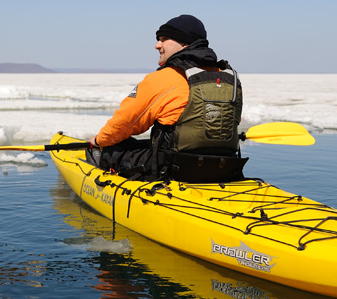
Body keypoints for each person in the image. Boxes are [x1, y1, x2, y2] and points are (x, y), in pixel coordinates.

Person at [87, 14, 245, 182]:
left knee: (112, 148)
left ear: (184, 43)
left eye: (164, 39)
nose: (157, 45)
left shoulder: (163, 79)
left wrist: (99, 141)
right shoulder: (229, 79)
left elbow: (125, 123)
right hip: (225, 167)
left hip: (172, 169)